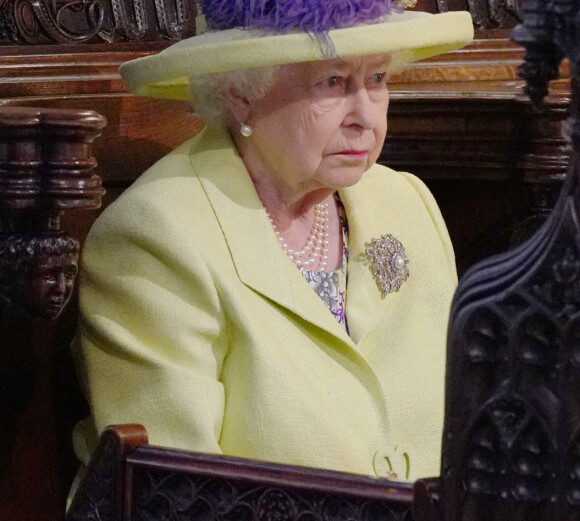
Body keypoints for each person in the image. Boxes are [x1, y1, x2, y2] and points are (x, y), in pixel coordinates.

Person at [73, 0, 474, 482]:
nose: (365, 117)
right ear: (243, 92)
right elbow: (171, 498)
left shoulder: (407, 202)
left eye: (377, 80)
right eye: (333, 82)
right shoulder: (155, 237)